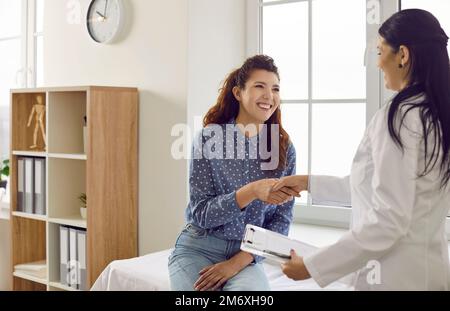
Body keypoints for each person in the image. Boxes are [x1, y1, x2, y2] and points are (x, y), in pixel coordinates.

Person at [274, 9, 450, 290]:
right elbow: (375, 186)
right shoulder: (437, 114)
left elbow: (388, 218)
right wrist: (308, 183)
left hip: (393, 278)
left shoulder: (399, 117)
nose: (378, 64)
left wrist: (312, 266)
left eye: (380, 52)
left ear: (402, 55)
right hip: (430, 271)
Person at [168, 55, 298, 291]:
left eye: (275, 88)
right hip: (199, 247)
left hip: (246, 256)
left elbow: (281, 220)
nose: (269, 96)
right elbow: (201, 213)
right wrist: (251, 192)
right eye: (260, 86)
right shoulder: (209, 138)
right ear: (238, 93)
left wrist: (236, 263)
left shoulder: (283, 148)